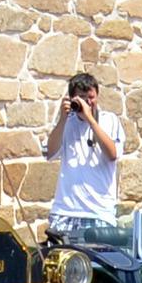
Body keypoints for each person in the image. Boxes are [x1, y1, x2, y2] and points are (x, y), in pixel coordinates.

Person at [45, 72, 121, 230]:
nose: (88, 102)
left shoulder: (109, 120)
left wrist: (90, 120)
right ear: (72, 98)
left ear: (97, 96)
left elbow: (112, 154)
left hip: (98, 213)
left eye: (91, 97)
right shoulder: (66, 123)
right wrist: (62, 119)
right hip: (65, 212)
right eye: (82, 97)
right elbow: (50, 154)